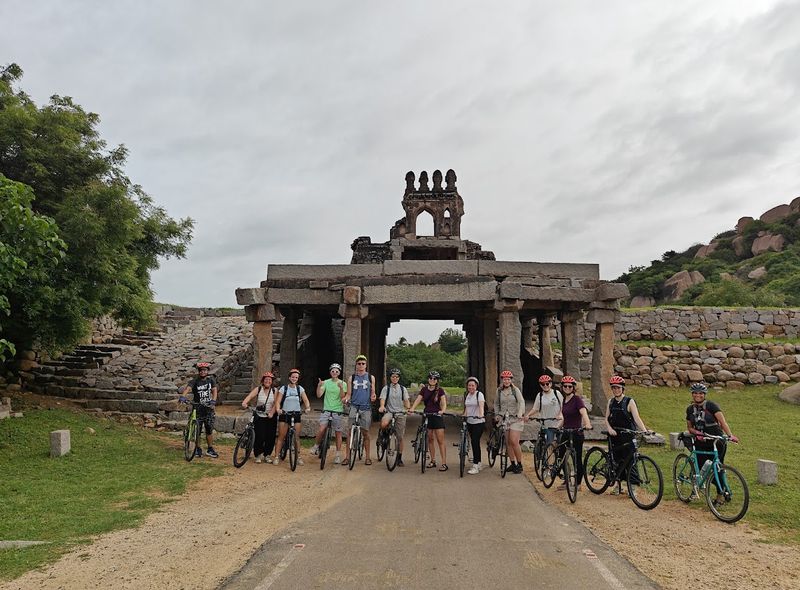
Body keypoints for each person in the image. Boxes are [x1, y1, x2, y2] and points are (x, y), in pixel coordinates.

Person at [684, 382, 739, 500]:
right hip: (700, 442)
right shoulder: (689, 409)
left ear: (704, 394)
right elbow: (690, 427)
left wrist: (730, 435)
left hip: (716, 441)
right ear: (692, 394)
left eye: (700, 393)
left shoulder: (712, 406)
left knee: (717, 468)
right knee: (699, 468)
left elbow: (722, 422)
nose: (698, 395)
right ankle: (696, 489)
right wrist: (697, 433)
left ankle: (721, 494)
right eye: (695, 393)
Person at [604, 375, 650, 493]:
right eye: (613, 388)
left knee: (631, 460)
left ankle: (632, 486)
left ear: (622, 388)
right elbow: (606, 418)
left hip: (628, 435)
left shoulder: (629, 402)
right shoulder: (611, 402)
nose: (616, 390)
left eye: (618, 388)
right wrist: (609, 429)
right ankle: (618, 484)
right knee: (617, 460)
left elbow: (636, 418)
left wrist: (644, 430)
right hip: (614, 435)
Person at [556, 375, 592, 489]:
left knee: (577, 458)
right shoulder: (564, 401)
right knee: (561, 456)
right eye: (565, 386)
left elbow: (583, 413)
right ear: (562, 387)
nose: (567, 388)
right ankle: (566, 481)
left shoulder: (577, 400)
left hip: (576, 432)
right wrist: (557, 427)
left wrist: (587, 424)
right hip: (566, 431)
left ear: (573, 387)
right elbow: (565, 418)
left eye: (569, 386)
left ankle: (578, 484)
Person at [409, 370, 448, 471]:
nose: (432, 380)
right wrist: (412, 408)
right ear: (428, 379)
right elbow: (418, 399)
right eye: (430, 378)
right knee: (430, 439)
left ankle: (444, 463)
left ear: (437, 380)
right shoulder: (424, 390)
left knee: (440, 440)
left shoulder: (440, 390)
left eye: (434, 379)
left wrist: (442, 411)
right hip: (427, 414)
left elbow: (443, 402)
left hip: (437, 415)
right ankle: (433, 460)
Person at [179, 361, 219, 458]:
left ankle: (210, 448)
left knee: (209, 429)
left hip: (208, 408)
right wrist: (183, 396)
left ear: (207, 371)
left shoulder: (211, 380)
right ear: (199, 371)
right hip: (197, 408)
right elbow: (188, 389)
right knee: (197, 429)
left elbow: (214, 390)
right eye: (201, 370)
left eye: (204, 370)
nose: (202, 372)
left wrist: (213, 401)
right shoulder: (194, 381)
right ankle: (197, 448)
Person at [273, 368, 311, 466]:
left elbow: (306, 400)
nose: (294, 378)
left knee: (297, 437)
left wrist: (307, 407)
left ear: (298, 379)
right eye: (293, 377)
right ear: (289, 377)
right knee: (281, 436)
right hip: (285, 414)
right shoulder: (284, 388)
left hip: (296, 414)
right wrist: (278, 409)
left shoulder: (300, 389)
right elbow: (278, 401)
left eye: (296, 377)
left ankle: (298, 457)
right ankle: (276, 456)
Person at [312, 363, 348, 465]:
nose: (334, 373)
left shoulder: (343, 383)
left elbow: (342, 398)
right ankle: (316, 445)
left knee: (338, 432)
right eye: (333, 371)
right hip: (327, 409)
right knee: (322, 428)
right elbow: (319, 395)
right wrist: (319, 386)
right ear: (330, 372)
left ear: (339, 373)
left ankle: (337, 454)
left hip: (338, 410)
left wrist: (341, 388)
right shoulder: (326, 382)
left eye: (337, 371)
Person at [345, 354, 377, 465]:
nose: (361, 365)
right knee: (349, 432)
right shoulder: (351, 378)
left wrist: (373, 397)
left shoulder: (370, 377)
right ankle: (347, 457)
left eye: (363, 363)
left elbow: (373, 393)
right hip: (354, 406)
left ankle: (368, 457)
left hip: (366, 407)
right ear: (356, 365)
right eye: (359, 363)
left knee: (366, 433)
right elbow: (349, 394)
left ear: (366, 365)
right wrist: (346, 398)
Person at [240, 371, 278, 464]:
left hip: (270, 416)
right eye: (266, 379)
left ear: (272, 382)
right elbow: (250, 396)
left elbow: (276, 403)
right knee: (259, 436)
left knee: (270, 436)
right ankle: (258, 454)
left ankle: (267, 454)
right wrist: (245, 402)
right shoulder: (258, 389)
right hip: (259, 415)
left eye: (269, 380)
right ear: (263, 380)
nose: (268, 381)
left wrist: (272, 412)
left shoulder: (275, 391)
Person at [493, 369, 526, 474]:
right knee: (508, 443)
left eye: (508, 379)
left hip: (515, 418)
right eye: (504, 379)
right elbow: (496, 404)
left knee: (514, 441)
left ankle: (520, 464)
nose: (506, 381)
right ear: (502, 380)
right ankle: (512, 463)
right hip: (504, 418)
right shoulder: (499, 391)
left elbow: (521, 402)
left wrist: (520, 413)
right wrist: (497, 414)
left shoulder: (515, 390)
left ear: (511, 380)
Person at [378, 368, 410, 466]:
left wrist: (408, 408)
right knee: (383, 424)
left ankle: (399, 458)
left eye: (396, 377)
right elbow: (382, 399)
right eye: (393, 376)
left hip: (400, 412)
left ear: (399, 378)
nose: (395, 378)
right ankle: (383, 436)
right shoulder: (386, 388)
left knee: (400, 437)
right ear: (390, 378)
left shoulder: (402, 389)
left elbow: (406, 400)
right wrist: (382, 406)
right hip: (389, 411)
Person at [525, 374, 563, 448]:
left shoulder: (557, 394)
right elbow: (535, 408)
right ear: (540, 385)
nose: (545, 385)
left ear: (551, 384)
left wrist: (560, 414)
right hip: (546, 423)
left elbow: (562, 406)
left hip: (557, 422)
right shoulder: (539, 395)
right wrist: (528, 415)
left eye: (547, 383)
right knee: (549, 444)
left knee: (560, 444)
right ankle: (547, 458)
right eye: (543, 384)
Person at [463, 376, 486, 475]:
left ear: (476, 386)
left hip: (478, 422)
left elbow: (481, 406)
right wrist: (463, 415)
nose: (471, 387)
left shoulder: (479, 395)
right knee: (475, 443)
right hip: (470, 422)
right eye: (469, 385)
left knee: (474, 441)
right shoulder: (467, 395)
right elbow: (467, 408)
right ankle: (479, 462)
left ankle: (475, 465)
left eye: (473, 385)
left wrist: (481, 415)